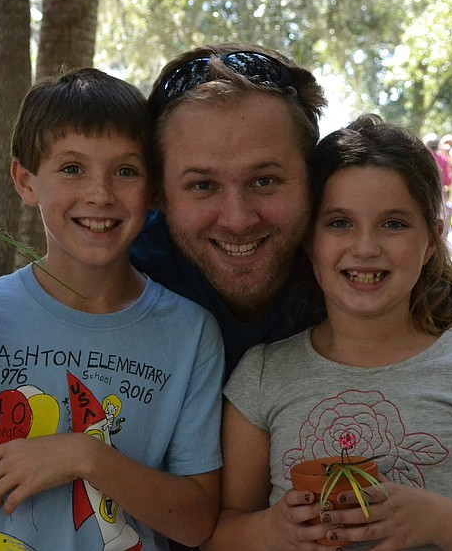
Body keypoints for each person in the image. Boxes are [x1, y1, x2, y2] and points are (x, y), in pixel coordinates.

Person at [0, 68, 224, 550]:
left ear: (153, 191)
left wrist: (85, 455)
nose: (100, 193)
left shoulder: (190, 333)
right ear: (25, 181)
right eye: (72, 168)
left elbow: (196, 522)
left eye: (125, 171)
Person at [207, 115, 452, 550]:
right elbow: (219, 535)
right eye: (339, 222)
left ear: (432, 239)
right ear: (309, 240)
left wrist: (437, 520)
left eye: (394, 223)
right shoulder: (264, 375)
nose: (365, 247)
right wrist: (271, 531)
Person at [131, 43, 329, 374]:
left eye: (264, 181)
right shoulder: (121, 276)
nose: (238, 220)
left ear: (313, 179)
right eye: (203, 186)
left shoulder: (361, 268)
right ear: (158, 195)